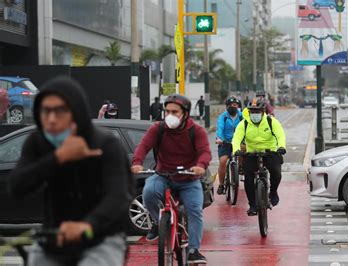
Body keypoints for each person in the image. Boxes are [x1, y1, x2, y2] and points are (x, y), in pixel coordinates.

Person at [8, 76, 132, 265]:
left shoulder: (106, 144)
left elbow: (118, 197)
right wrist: (58, 157)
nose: (51, 119)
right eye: (45, 111)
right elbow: (16, 186)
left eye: (60, 111)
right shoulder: (37, 142)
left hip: (101, 238)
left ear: (76, 112)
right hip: (54, 238)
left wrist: (87, 225)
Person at [131, 94, 211, 264]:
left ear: (186, 113)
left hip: (189, 179)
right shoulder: (158, 128)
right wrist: (137, 162)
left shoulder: (196, 131)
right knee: (148, 193)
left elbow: (205, 152)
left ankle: (194, 250)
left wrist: (201, 165)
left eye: (175, 112)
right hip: (163, 175)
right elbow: (143, 146)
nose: (170, 115)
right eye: (167, 111)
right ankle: (157, 222)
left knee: (195, 210)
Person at [232, 98, 286, 216]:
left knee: (276, 172)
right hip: (252, 153)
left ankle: (273, 192)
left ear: (262, 112)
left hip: (270, 152)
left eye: (257, 112)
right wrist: (236, 150)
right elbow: (236, 138)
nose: (254, 114)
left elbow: (280, 135)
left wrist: (281, 146)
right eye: (252, 112)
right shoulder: (244, 124)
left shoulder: (272, 122)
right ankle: (252, 205)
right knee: (248, 178)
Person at [215, 96, 243, 195]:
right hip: (225, 142)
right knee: (223, 161)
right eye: (230, 105)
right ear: (227, 107)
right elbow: (220, 128)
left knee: (244, 149)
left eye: (235, 105)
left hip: (238, 141)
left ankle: (240, 167)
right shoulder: (223, 117)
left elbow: (247, 127)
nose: (233, 107)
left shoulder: (241, 116)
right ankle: (221, 184)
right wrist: (219, 138)